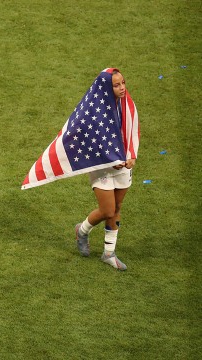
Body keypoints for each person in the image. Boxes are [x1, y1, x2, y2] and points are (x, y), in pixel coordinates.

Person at [74, 69, 139, 270]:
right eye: (117, 85)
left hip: (122, 164)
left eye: (123, 83)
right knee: (107, 209)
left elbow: (133, 132)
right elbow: (87, 142)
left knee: (117, 208)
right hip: (102, 167)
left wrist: (132, 156)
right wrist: (109, 159)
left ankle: (108, 253)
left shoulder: (128, 105)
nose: (122, 88)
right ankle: (82, 231)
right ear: (106, 88)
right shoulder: (92, 110)